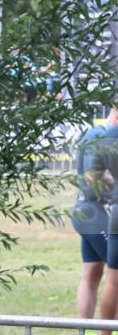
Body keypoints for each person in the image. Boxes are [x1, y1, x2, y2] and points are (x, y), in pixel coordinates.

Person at [73, 116, 113, 320]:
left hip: (89, 213)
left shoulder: (96, 133)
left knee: (92, 272)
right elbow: (93, 177)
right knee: (115, 276)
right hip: (94, 212)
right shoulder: (99, 135)